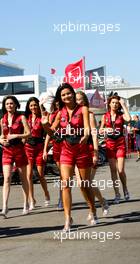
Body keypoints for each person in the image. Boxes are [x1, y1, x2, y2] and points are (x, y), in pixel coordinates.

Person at [41, 83, 97, 231]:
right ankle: (68, 218)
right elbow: (52, 133)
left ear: (73, 93)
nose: (66, 96)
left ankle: (92, 209)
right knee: (65, 184)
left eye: (68, 93)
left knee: (84, 185)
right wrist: (45, 124)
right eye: (63, 94)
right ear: (60, 97)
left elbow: (86, 128)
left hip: (82, 150)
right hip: (66, 150)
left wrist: (85, 135)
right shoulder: (60, 113)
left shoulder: (83, 109)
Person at [76, 91, 109, 217]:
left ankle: (100, 203)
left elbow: (94, 135)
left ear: (85, 101)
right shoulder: (72, 115)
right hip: (75, 151)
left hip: (89, 150)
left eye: (80, 99)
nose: (78, 102)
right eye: (76, 99)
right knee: (81, 184)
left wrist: (95, 153)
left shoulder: (89, 115)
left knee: (87, 182)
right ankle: (94, 206)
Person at [0, 95, 30, 217]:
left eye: (11, 103)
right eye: (7, 104)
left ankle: (26, 204)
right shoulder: (2, 120)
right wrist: (1, 140)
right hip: (7, 151)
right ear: (4, 106)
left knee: (23, 179)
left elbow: (29, 133)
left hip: (19, 150)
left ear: (16, 105)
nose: (9, 106)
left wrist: (17, 135)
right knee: (6, 178)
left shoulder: (22, 117)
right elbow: (2, 135)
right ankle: (5, 207)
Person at [99, 95, 131, 204]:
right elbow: (100, 131)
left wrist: (123, 104)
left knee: (120, 170)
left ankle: (125, 188)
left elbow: (129, 119)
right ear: (109, 104)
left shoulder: (121, 115)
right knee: (113, 171)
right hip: (110, 144)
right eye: (113, 102)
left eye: (117, 103)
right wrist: (105, 129)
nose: (115, 104)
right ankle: (117, 194)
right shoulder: (105, 116)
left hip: (120, 143)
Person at [24, 97, 50, 210]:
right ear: (28, 107)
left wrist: (45, 150)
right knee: (28, 175)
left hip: (39, 147)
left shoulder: (42, 117)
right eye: (31, 105)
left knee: (40, 175)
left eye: (35, 105)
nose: (33, 107)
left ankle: (46, 194)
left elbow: (47, 133)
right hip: (28, 148)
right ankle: (32, 200)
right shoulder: (26, 118)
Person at [43, 99, 63, 209]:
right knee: (62, 175)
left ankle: (64, 197)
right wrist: (45, 149)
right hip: (57, 146)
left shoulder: (68, 111)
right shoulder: (52, 115)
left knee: (67, 176)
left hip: (70, 144)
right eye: (56, 102)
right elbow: (49, 133)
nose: (57, 104)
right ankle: (62, 198)